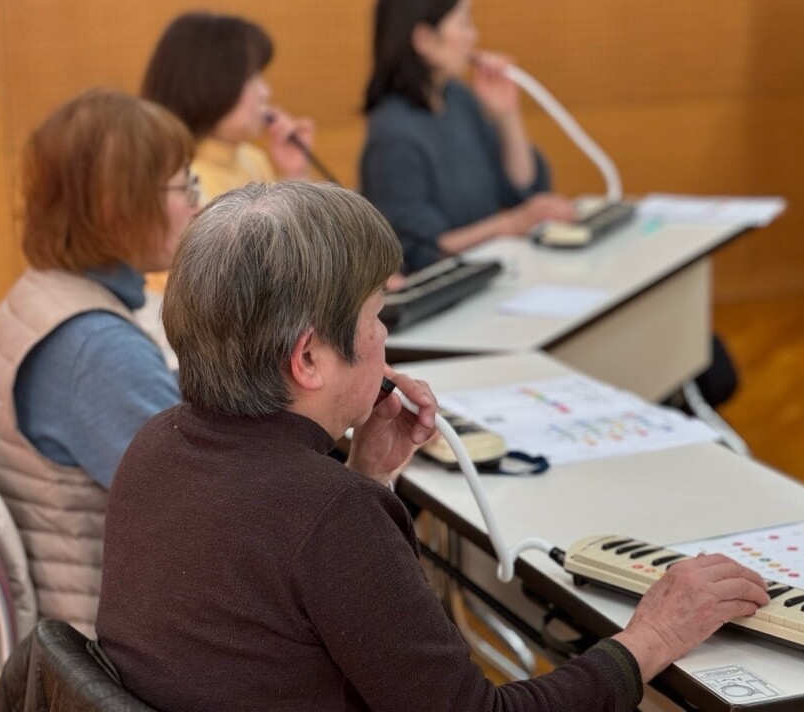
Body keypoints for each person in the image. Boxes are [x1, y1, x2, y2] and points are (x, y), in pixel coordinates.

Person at [94, 181, 768, 711]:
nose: (384, 337)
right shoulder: (330, 518)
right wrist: (650, 638)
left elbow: (282, 617)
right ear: (308, 358)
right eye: (374, 317)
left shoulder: (155, 446)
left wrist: (366, 475)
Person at [0, 89, 197, 637]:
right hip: (101, 654)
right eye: (183, 184)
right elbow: (212, 523)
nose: (195, 202)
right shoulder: (95, 347)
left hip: (64, 633)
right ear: (118, 207)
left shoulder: (43, 294)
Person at [361, 0, 577, 273]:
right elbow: (419, 251)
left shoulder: (457, 98)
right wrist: (510, 224)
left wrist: (507, 114)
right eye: (463, 22)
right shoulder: (393, 135)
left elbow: (521, 189)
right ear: (424, 40)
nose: (473, 36)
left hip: (488, 279)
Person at [142, 11, 316, 206]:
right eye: (251, 77)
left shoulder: (252, 159)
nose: (265, 92)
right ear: (208, 83)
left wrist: (295, 173)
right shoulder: (182, 183)